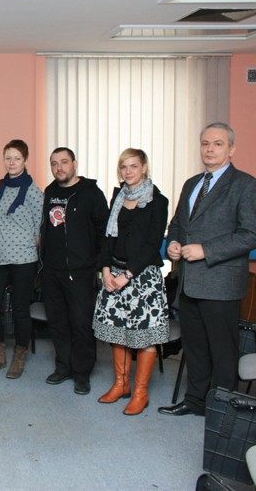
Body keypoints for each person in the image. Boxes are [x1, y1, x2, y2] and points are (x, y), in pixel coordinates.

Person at [159, 122, 256, 417]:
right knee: (194, 347)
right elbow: (178, 224)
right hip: (189, 281)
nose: (210, 149)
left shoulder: (247, 185)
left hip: (221, 283)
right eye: (205, 143)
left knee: (222, 351)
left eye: (218, 144)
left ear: (231, 149)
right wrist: (173, 242)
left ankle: (222, 410)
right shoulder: (192, 183)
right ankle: (195, 401)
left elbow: (252, 234)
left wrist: (206, 250)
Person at [93, 149, 169, 415]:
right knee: (117, 332)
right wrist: (105, 271)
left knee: (144, 336)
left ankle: (140, 392)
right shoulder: (117, 197)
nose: (128, 171)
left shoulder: (158, 201)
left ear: (144, 167)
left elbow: (152, 245)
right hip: (113, 274)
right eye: (124, 167)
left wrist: (127, 275)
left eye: (133, 166)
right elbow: (107, 238)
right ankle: (121, 384)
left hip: (142, 276)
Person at [39, 147, 108, 395]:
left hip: (80, 271)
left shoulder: (91, 194)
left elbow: (104, 232)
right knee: (57, 322)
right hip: (51, 270)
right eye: (54, 163)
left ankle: (82, 373)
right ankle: (63, 367)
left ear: (74, 164)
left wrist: (97, 264)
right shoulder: (50, 192)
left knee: (81, 323)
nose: (59, 167)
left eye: (64, 162)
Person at [0, 140, 43, 380]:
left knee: (20, 311)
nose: (12, 162)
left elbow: (40, 228)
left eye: (17, 158)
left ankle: (19, 354)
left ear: (25, 160)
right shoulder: (3, 187)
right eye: (8, 157)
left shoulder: (33, 191)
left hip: (24, 259)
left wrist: (28, 245)